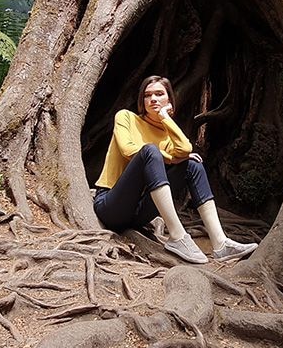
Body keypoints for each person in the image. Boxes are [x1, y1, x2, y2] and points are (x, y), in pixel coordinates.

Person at [92, 75, 258, 264]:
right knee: (150, 151)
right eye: (147, 95)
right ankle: (178, 236)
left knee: (193, 165)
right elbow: (128, 149)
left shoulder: (167, 133)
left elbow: (186, 150)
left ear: (169, 100)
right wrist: (170, 158)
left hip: (139, 214)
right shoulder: (126, 117)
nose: (153, 99)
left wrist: (165, 118)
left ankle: (221, 244)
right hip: (111, 205)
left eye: (159, 94)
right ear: (142, 100)